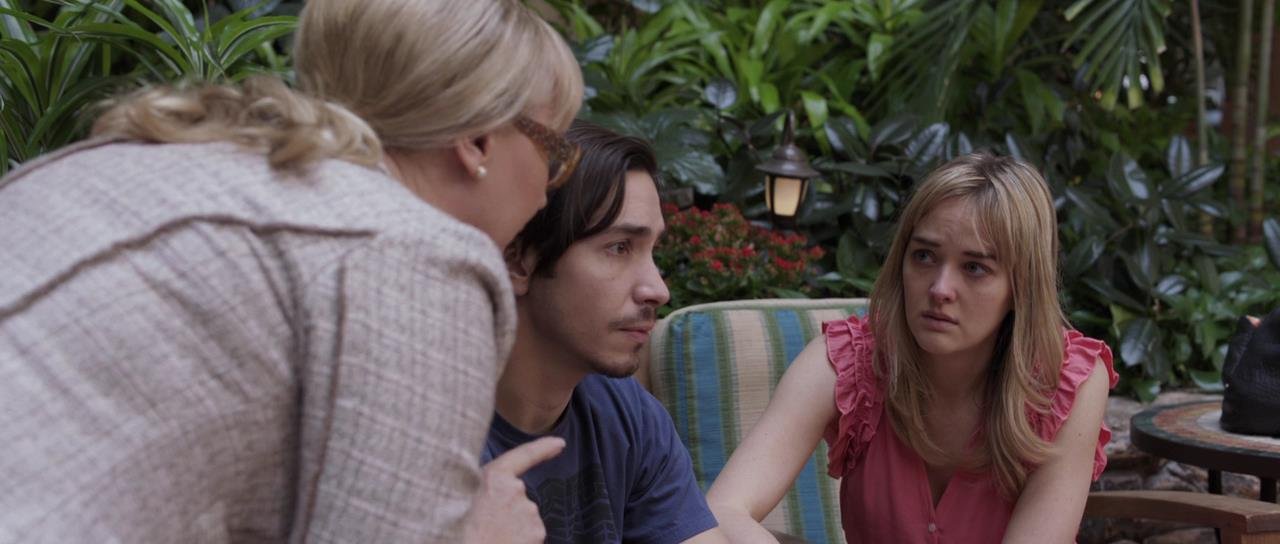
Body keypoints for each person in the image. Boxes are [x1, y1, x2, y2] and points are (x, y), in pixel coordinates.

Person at [0, 1, 580, 542]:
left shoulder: (165, 161)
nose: (545, 196)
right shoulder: (415, 254)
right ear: (477, 140)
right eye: (553, 152)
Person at [706, 152, 1118, 543]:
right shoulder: (848, 363)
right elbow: (721, 511)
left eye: (975, 268)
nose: (940, 289)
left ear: (1020, 286)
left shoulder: (1067, 384)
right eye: (924, 256)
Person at [486, 121, 728, 544]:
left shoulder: (627, 416)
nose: (658, 289)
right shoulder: (427, 429)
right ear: (519, 262)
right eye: (619, 248)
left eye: (652, 251)